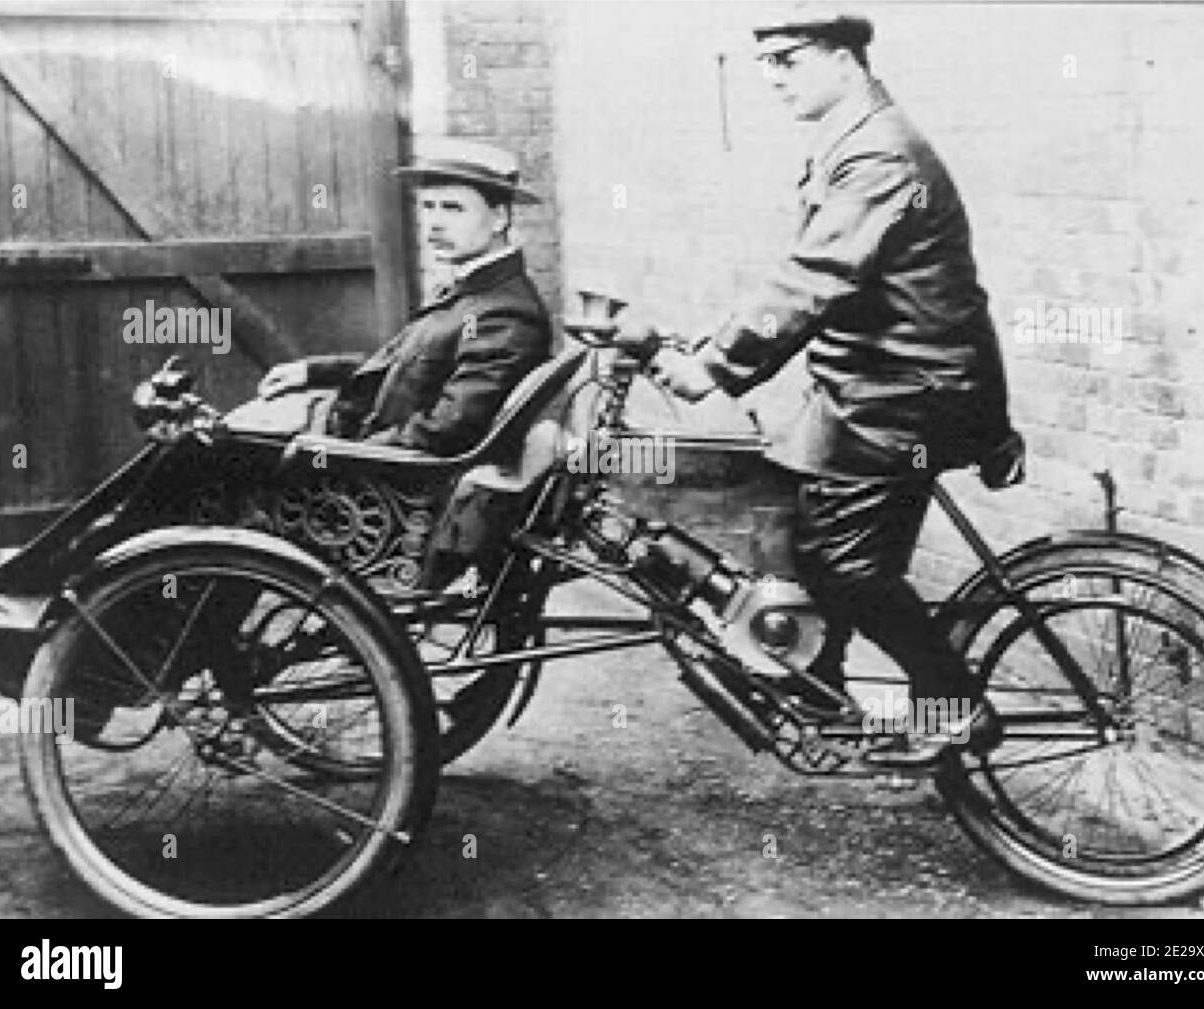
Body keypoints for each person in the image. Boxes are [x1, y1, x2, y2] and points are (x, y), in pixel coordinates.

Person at [632, 5, 1019, 767]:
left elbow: (818, 278)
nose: (774, 77)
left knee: (850, 566)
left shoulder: (880, 156)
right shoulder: (851, 141)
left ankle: (957, 708)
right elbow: (810, 274)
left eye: (791, 59)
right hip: (872, 384)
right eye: (766, 63)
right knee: (788, 514)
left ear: (846, 59)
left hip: (913, 392)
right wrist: (709, 343)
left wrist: (713, 365)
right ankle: (817, 684)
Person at [255, 138, 553, 457]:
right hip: (362, 444)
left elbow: (446, 431)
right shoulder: (467, 291)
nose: (434, 223)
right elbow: (405, 366)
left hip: (395, 486)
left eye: (452, 208)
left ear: (500, 218)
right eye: (428, 207)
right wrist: (312, 372)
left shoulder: (506, 314)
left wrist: (342, 453)